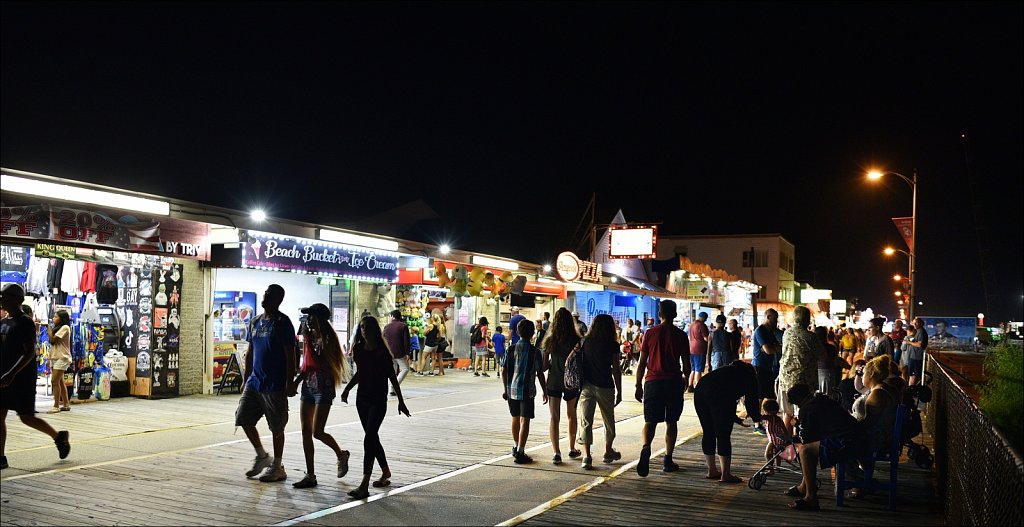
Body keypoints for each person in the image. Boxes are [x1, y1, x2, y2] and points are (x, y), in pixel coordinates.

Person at [1, 284, 71, 470]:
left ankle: (58, 437)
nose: (2, 299)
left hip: (21, 378)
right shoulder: (4, 323)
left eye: (6, 296)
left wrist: (11, 374)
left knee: (26, 417)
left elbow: (30, 352)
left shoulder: (25, 322)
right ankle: (1, 457)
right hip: (4, 376)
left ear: (17, 299)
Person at [341, 316, 411, 499]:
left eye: (367, 327)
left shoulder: (382, 353)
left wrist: (401, 401)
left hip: (378, 399)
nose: (364, 330)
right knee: (371, 436)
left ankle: (364, 484)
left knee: (369, 437)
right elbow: (360, 373)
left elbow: (392, 377)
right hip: (362, 398)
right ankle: (385, 471)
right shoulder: (358, 349)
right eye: (362, 327)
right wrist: (347, 389)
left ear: (374, 330)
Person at [236, 284, 297, 483]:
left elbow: (291, 355)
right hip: (255, 382)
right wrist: (245, 378)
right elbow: (251, 351)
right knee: (243, 417)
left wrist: (290, 382)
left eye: (270, 295)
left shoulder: (283, 323)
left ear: (278, 300)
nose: (265, 297)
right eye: (265, 293)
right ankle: (262, 456)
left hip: (274, 384)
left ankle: (277, 466)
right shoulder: (255, 322)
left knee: (277, 427)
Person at [292, 303, 352, 489]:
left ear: (318, 318)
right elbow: (306, 364)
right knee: (305, 431)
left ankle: (341, 453)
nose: (308, 320)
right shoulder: (311, 336)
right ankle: (310, 474)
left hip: (323, 386)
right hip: (308, 386)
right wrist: (296, 382)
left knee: (317, 431)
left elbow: (321, 361)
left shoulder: (328, 338)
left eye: (311, 316)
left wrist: (309, 339)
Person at [784, 383, 864, 511]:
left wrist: (797, 426)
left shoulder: (807, 409)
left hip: (847, 441)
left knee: (805, 451)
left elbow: (806, 439)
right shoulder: (821, 400)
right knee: (810, 447)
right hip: (855, 437)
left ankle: (810, 497)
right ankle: (804, 487)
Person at [634, 299, 690, 477]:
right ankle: (667, 459)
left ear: (660, 314)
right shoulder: (681, 335)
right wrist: (686, 378)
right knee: (671, 421)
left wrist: (637, 385)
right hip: (673, 382)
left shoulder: (650, 333)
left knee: (650, 420)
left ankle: (646, 447)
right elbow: (687, 363)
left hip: (652, 382)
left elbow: (642, 363)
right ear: (674, 314)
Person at [693, 360, 761, 483]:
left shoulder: (725, 371)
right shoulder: (749, 376)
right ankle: (725, 474)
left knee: (708, 432)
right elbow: (751, 401)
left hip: (700, 391)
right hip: (718, 394)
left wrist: (736, 419)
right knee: (722, 434)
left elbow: (725, 405)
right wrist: (757, 420)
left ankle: (712, 470)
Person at [577, 314, 623, 469]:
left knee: (585, 420)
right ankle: (608, 451)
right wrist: (619, 390)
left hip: (587, 386)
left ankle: (586, 456)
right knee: (608, 420)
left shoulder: (584, 341)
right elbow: (616, 369)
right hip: (606, 386)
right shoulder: (612, 344)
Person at [502, 318, 546, 464]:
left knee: (515, 417)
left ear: (517, 332)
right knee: (524, 420)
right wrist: (544, 391)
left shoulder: (511, 349)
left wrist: (505, 388)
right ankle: (521, 450)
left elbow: (503, 370)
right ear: (533, 333)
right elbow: (540, 373)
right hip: (527, 391)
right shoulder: (535, 352)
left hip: (512, 390)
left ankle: (515, 445)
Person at [540, 308, 581, 465]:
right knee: (572, 415)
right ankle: (571, 447)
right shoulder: (576, 339)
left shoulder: (550, 340)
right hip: (571, 383)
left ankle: (556, 452)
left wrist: (552, 363)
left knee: (554, 417)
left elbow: (544, 366)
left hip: (554, 382)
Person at [776, 306, 823, 435]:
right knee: (800, 415)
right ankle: (799, 447)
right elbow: (822, 356)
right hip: (803, 383)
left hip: (785, 380)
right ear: (807, 319)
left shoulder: (787, 333)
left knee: (787, 414)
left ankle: (786, 446)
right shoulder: (811, 337)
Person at [750, 308, 782, 436]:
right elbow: (769, 349)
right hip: (759, 367)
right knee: (759, 397)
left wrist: (773, 347)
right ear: (768, 317)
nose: (776, 322)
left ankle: (770, 422)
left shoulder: (769, 331)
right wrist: (774, 347)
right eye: (775, 319)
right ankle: (757, 424)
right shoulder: (761, 330)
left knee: (769, 395)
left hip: (767, 367)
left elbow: (776, 347)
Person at [48, 310, 73, 413]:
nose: (54, 319)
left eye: (56, 317)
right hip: (55, 357)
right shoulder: (58, 328)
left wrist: (48, 329)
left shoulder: (65, 328)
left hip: (63, 357)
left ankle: (56, 405)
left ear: (61, 318)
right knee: (60, 381)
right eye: (53, 317)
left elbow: (53, 340)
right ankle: (66, 404)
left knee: (54, 381)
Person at [382, 309, 412, 390]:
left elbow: (383, 340)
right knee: (405, 369)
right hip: (399, 352)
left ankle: (392, 388)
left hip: (388, 352)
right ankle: (393, 386)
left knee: (392, 371)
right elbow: (406, 341)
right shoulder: (403, 326)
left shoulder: (386, 327)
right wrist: (407, 353)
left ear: (392, 316)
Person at [687, 312, 710, 391]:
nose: (706, 320)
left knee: (693, 369)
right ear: (703, 318)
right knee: (698, 370)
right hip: (699, 350)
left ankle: (690, 386)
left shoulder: (691, 325)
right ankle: (698, 387)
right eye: (706, 318)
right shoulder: (702, 325)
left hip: (691, 349)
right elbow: (706, 338)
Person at [814, 326, 838, 397]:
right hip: (828, 373)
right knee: (828, 396)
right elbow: (835, 362)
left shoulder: (814, 347)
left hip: (814, 373)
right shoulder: (831, 348)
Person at [904, 317, 928, 385]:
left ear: (921, 323)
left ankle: (911, 391)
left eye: (916, 322)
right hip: (914, 357)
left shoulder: (921, 331)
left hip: (916, 358)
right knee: (912, 376)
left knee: (913, 376)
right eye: (913, 322)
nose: (914, 324)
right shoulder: (918, 331)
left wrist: (909, 342)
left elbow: (920, 344)